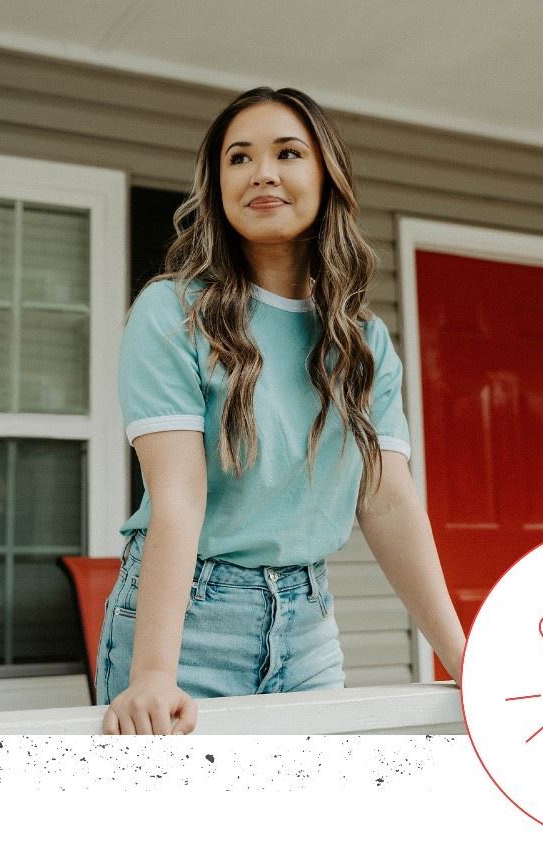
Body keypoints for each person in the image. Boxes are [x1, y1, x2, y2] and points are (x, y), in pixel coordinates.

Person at [97, 86, 466, 735]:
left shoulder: (363, 343)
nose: (263, 171)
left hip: (309, 618)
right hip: (192, 620)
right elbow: (178, 497)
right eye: (239, 158)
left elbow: (389, 502)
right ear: (217, 187)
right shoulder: (173, 313)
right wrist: (155, 671)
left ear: (325, 177)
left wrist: (463, 655)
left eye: (287, 152)